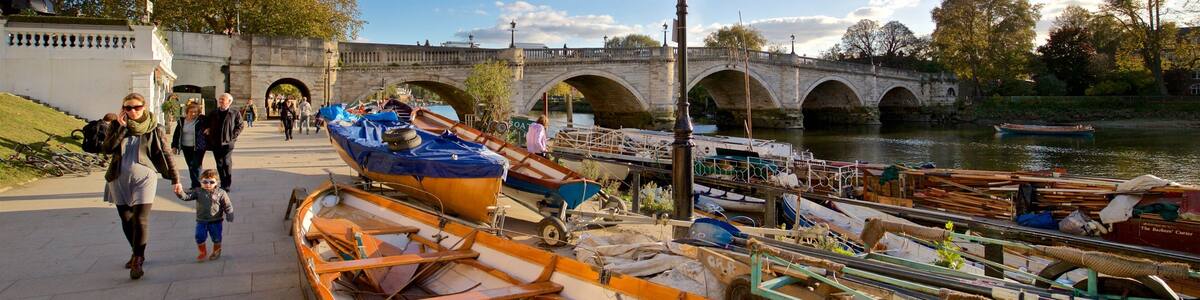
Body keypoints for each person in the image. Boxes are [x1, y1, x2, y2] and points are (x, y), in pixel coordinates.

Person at [102, 92, 182, 280]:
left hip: (145, 178)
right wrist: (121, 128)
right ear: (123, 109)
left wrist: (175, 179)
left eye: (136, 107)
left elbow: (166, 152)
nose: (132, 111)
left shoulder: (155, 127)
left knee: (140, 219)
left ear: (144, 107)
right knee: (126, 218)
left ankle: (138, 259)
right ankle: (136, 250)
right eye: (128, 108)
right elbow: (106, 149)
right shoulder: (116, 125)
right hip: (118, 177)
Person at [176, 169, 234, 262]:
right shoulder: (198, 191)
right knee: (199, 236)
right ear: (201, 182)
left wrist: (229, 213)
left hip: (216, 220)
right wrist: (179, 193)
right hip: (201, 220)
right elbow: (187, 197)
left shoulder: (221, 193)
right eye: (205, 182)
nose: (208, 184)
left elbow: (227, 205)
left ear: (216, 182)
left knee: (216, 237)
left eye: (211, 182)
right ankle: (202, 252)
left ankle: (216, 250)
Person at [204, 93, 244, 192]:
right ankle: (222, 182)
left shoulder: (234, 112)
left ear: (229, 102)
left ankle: (227, 183)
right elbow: (207, 123)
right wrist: (208, 129)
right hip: (215, 142)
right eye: (220, 99)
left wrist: (233, 137)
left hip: (228, 143)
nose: (220, 101)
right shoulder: (214, 112)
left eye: (223, 99)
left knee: (226, 162)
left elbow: (240, 125)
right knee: (219, 163)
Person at [171, 102, 207, 189]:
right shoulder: (182, 121)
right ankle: (195, 183)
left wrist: (208, 129)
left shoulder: (201, 120)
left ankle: (196, 185)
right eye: (191, 111)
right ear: (187, 112)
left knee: (196, 165)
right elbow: (176, 134)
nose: (193, 113)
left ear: (198, 113)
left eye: (195, 112)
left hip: (198, 147)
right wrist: (174, 146)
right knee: (190, 166)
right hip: (186, 147)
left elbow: (211, 123)